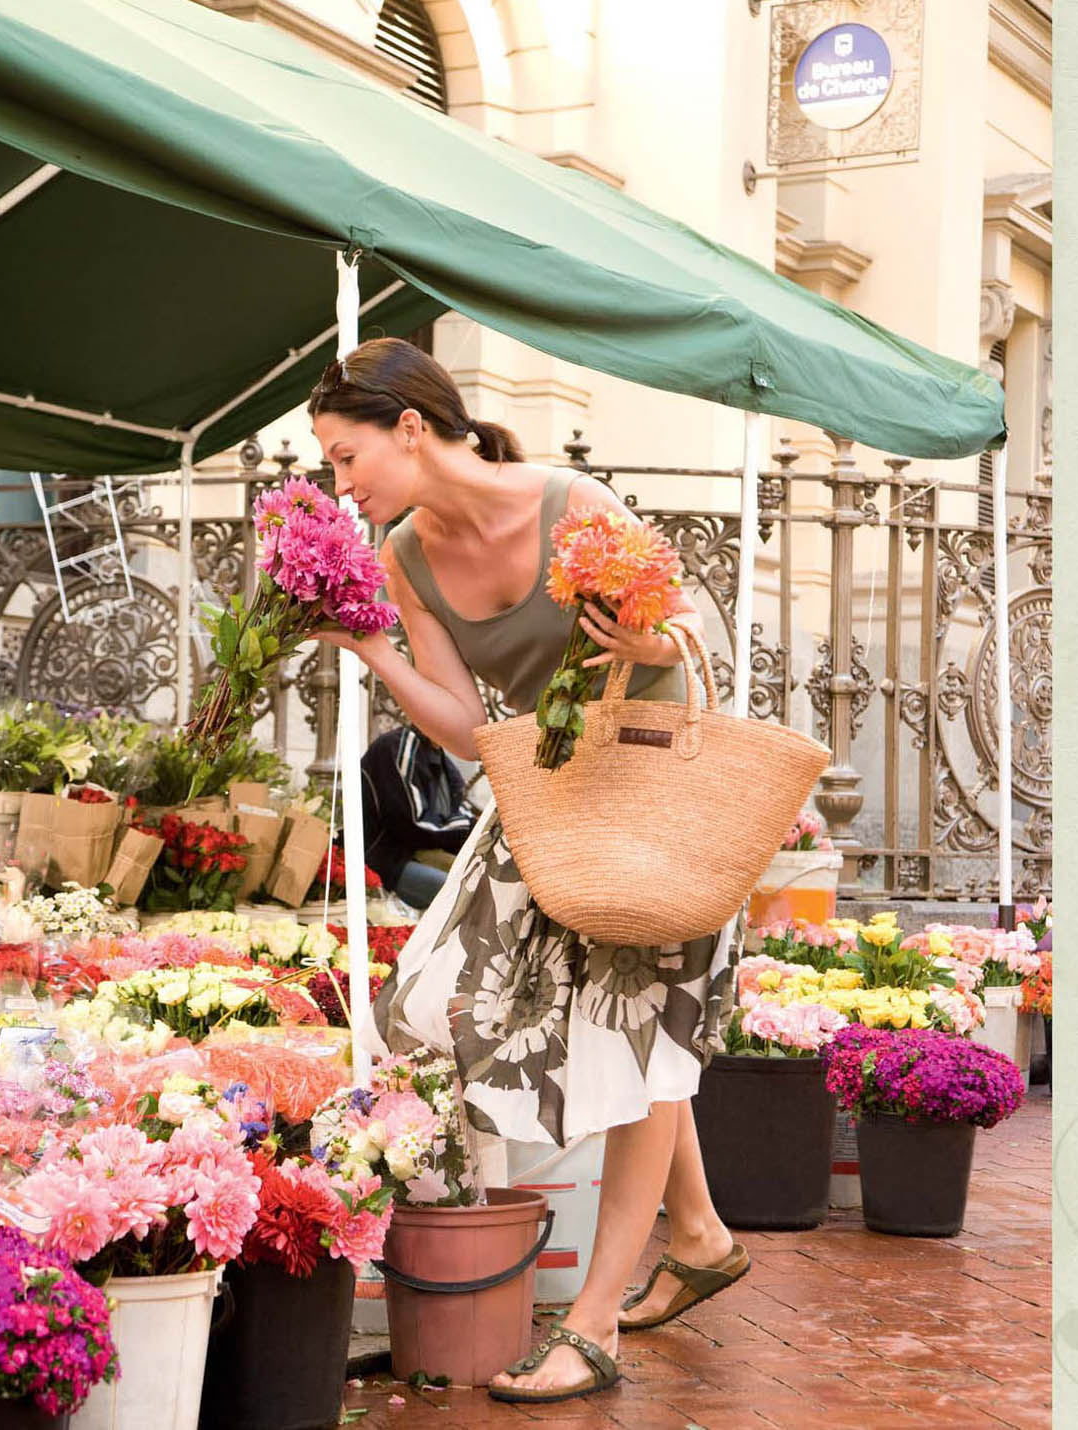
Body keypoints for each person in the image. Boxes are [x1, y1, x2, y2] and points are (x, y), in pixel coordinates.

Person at [308, 337, 750, 1403]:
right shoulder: (407, 556)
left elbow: (701, 634)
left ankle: (593, 1324)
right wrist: (369, 645)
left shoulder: (571, 501)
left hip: (652, 785)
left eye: (344, 455)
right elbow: (466, 726)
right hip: (552, 790)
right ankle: (693, 1229)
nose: (341, 483)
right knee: (433, 997)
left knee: (637, 1028)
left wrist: (649, 647)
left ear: (409, 426)